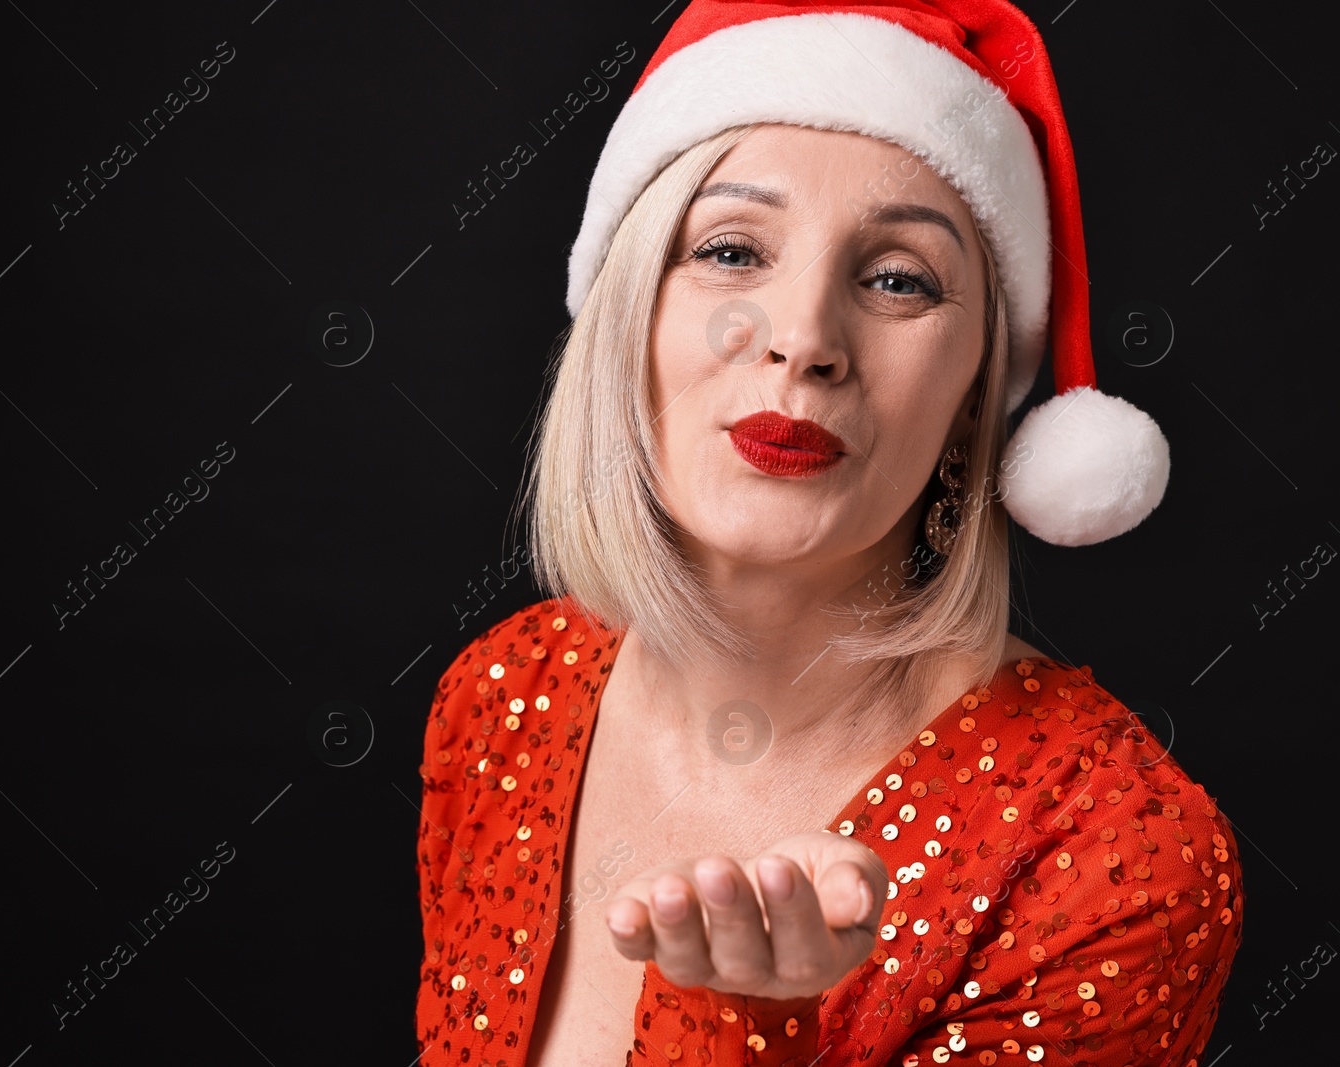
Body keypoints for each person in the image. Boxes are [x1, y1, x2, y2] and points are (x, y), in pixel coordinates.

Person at [414, 2, 1241, 1064]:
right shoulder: (501, 695)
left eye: (898, 278)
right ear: (630, 319)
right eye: (728, 248)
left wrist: (749, 1027)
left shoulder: (1112, 848)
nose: (803, 339)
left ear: (973, 392)